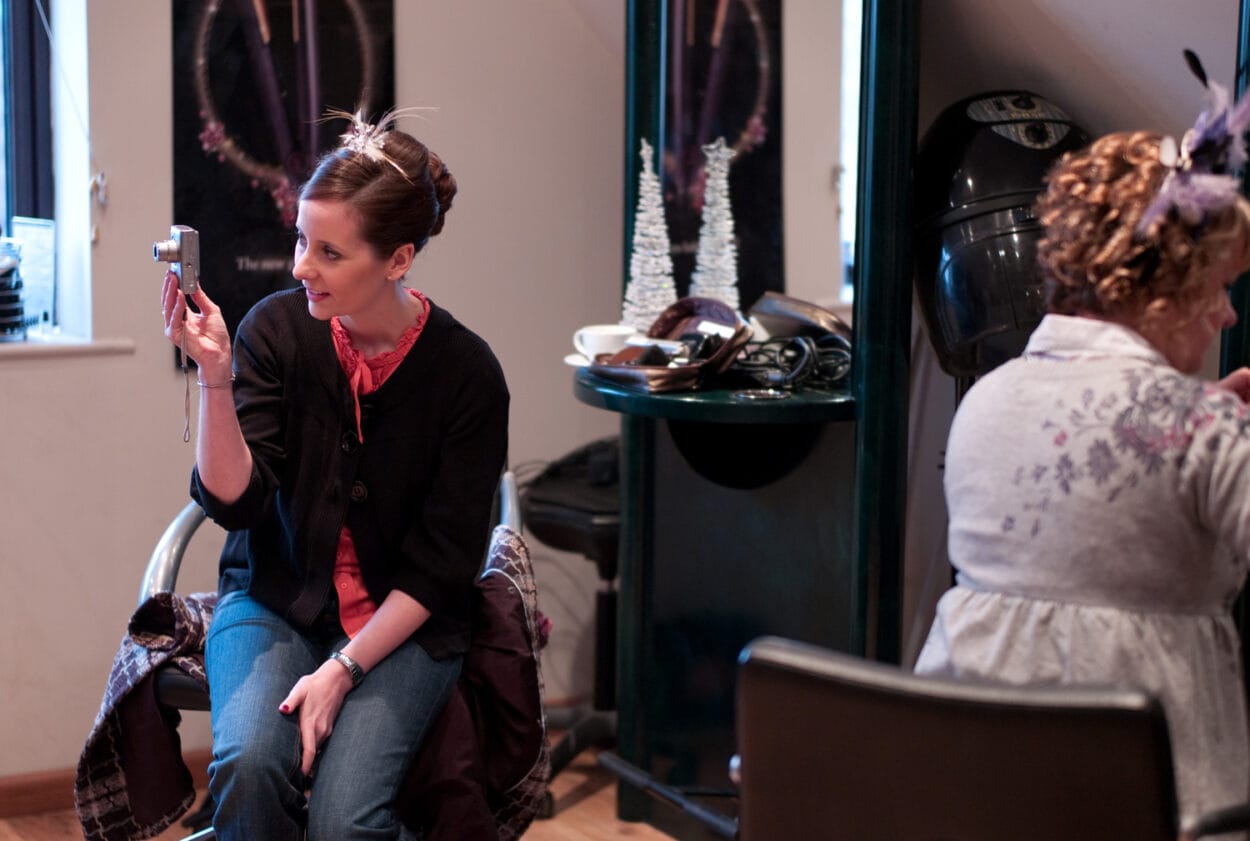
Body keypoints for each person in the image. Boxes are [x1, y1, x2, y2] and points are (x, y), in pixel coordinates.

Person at [914, 61, 1250, 827]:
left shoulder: (984, 406)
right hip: (1149, 810)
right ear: (1167, 286)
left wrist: (1209, 431)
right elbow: (1158, 458)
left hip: (970, 799)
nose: (1229, 314)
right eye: (1220, 285)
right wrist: (1219, 439)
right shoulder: (1203, 431)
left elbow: (1100, 507)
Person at [160, 110, 510, 840]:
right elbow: (236, 503)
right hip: (274, 600)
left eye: (328, 251)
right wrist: (216, 379)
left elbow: (442, 569)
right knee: (250, 768)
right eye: (299, 240)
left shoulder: (467, 376)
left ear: (398, 258)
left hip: (403, 623)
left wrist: (344, 667)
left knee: (347, 821)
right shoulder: (275, 332)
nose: (299, 268)